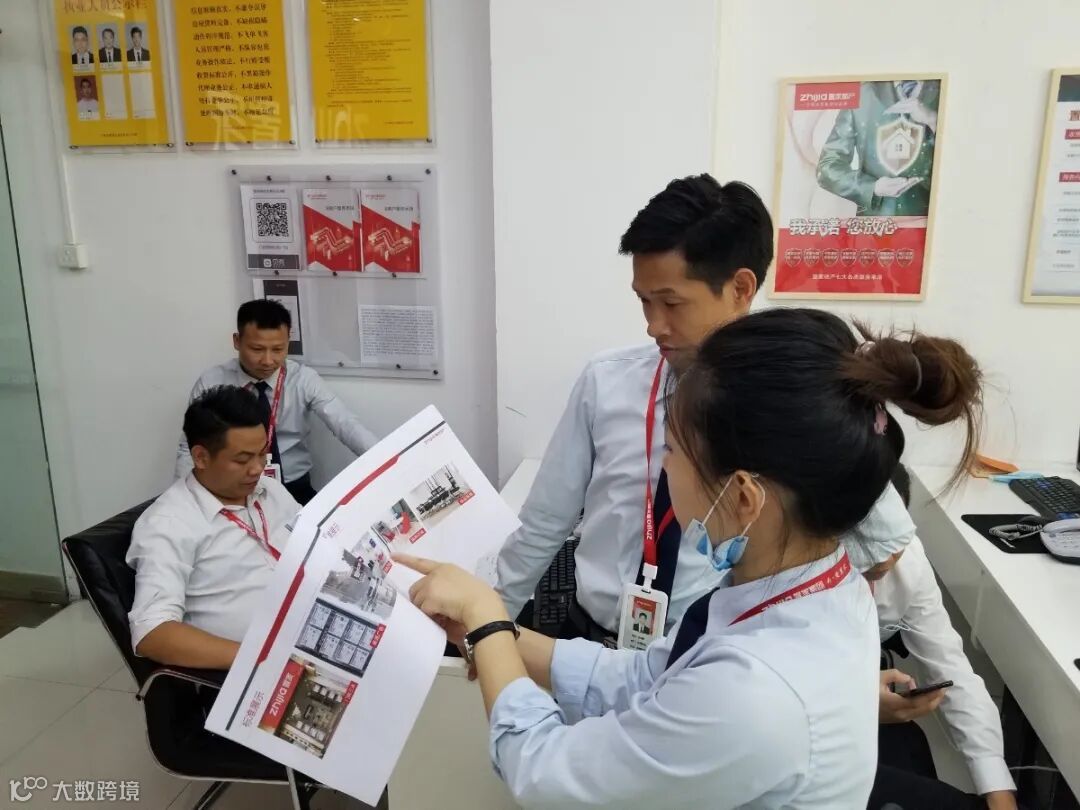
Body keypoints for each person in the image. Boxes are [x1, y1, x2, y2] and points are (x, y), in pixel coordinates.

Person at [397, 307, 983, 808]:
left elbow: (544, 772)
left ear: (745, 497)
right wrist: (491, 633)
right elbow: (647, 677)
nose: (664, 469)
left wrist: (489, 620)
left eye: (673, 452)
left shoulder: (753, 694)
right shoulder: (818, 587)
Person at [496, 175, 916, 643]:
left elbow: (884, 550)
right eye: (644, 301)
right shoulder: (606, 382)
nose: (653, 325)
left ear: (740, 288)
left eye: (671, 302)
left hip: (706, 653)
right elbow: (544, 522)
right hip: (588, 634)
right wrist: (485, 624)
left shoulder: (792, 401)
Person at [848, 465, 1018, 810]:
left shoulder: (907, 559)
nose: (886, 558)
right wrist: (856, 703)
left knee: (913, 752)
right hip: (806, 728)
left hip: (864, 703)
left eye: (894, 538)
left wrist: (998, 790)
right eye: (872, 538)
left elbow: (949, 664)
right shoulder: (795, 573)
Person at [129, 386, 299, 669]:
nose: (257, 468)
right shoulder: (170, 524)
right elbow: (152, 633)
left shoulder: (270, 490)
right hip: (260, 665)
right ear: (201, 457)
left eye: (262, 454)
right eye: (242, 459)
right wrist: (264, 659)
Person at [175, 299, 378, 505]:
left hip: (293, 487)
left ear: (288, 342)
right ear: (237, 341)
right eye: (257, 349)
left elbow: (345, 424)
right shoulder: (212, 382)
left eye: (278, 349)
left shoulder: (302, 379)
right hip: (231, 490)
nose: (268, 360)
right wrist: (185, 501)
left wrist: (387, 460)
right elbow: (189, 448)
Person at [816, 79, 940, 217]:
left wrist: (934, 120)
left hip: (934, 220)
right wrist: (872, 187)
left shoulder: (949, 87)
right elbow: (827, 167)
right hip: (874, 223)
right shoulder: (861, 94)